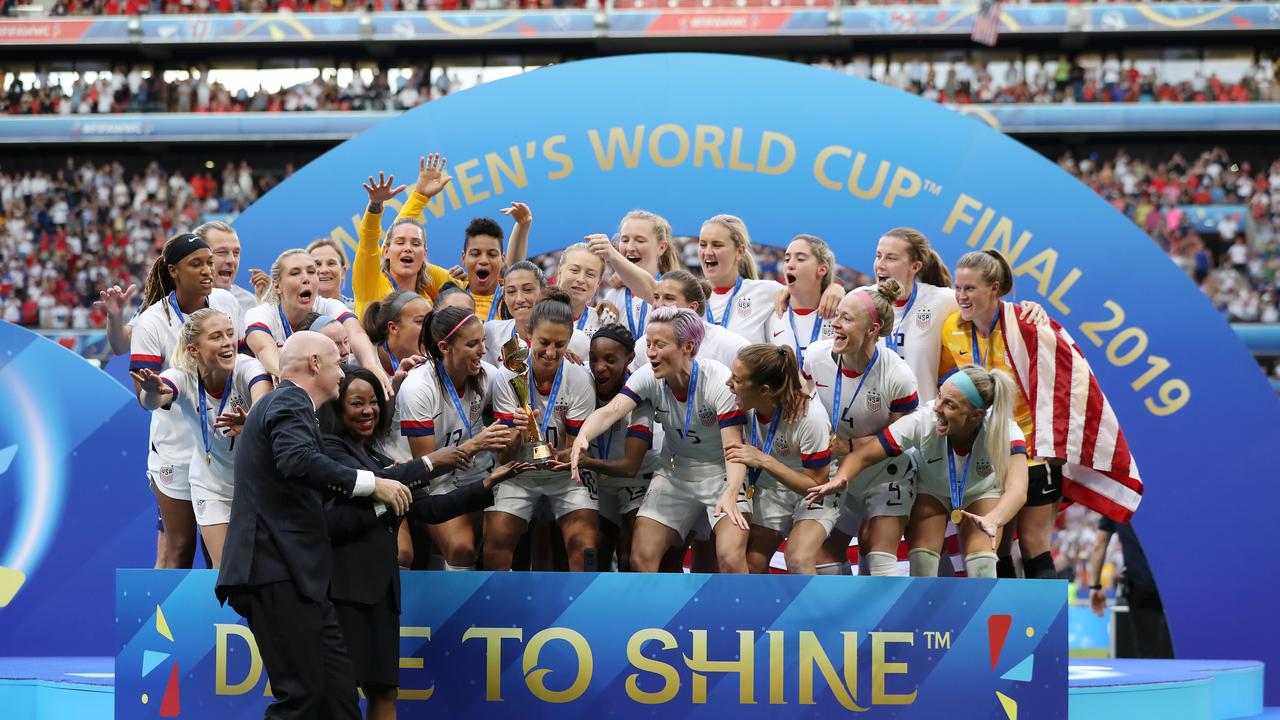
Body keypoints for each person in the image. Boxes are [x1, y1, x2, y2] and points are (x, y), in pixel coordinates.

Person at [215, 331, 416, 720]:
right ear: (314, 364)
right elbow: (296, 460)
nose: (343, 370)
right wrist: (372, 485)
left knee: (339, 698)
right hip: (275, 569)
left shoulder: (289, 406)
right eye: (337, 361)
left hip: (298, 576)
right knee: (304, 697)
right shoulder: (290, 399)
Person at [320, 365, 532, 719]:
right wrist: (433, 461)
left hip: (381, 596)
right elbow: (371, 489)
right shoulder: (329, 451)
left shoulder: (378, 458)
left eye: (374, 402)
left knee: (385, 692)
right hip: (342, 593)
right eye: (357, 403)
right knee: (339, 696)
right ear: (337, 408)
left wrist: (488, 484)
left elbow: (430, 509)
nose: (369, 410)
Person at [571, 307, 752, 573]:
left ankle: (743, 616)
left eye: (660, 344)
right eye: (648, 344)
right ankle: (652, 616)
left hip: (723, 476)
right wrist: (582, 437)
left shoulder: (717, 381)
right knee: (641, 558)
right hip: (674, 474)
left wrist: (732, 490)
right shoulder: (647, 376)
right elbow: (611, 410)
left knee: (730, 559)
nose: (651, 352)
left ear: (688, 347)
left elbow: (733, 448)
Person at [808, 366, 1028, 579]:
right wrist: (840, 478)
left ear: (976, 415)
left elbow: (1018, 489)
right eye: (940, 395)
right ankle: (927, 616)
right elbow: (863, 456)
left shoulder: (1004, 430)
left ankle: (976, 615)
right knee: (923, 561)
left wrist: (993, 520)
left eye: (949, 405)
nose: (936, 407)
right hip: (931, 489)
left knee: (983, 566)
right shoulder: (922, 421)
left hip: (981, 492)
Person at [939, 249, 1057, 579]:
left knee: (1034, 543)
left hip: (1032, 451)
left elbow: (1057, 386)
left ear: (994, 288)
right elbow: (946, 383)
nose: (961, 296)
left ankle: (1045, 629)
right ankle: (1005, 628)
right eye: (958, 288)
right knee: (996, 544)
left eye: (970, 288)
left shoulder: (1024, 325)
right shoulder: (951, 328)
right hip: (986, 454)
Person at [130, 232, 244, 568]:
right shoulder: (151, 321)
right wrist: (153, 392)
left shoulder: (227, 304)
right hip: (175, 449)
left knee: (219, 552)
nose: (208, 270)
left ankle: (219, 621)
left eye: (210, 262)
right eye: (197, 264)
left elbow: (240, 364)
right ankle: (164, 622)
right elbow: (147, 400)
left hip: (222, 449)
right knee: (179, 548)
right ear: (174, 271)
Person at [789, 284, 919, 576]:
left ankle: (890, 622)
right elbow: (799, 400)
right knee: (822, 558)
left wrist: (849, 447)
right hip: (837, 473)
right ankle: (838, 622)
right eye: (836, 315)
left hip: (885, 470)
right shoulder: (815, 356)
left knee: (879, 556)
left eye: (846, 318)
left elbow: (902, 437)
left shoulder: (898, 375)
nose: (835, 323)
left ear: (872, 329)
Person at [133, 308, 273, 568]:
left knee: (259, 568)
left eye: (230, 334)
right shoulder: (181, 376)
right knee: (226, 573)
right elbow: (153, 400)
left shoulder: (248, 366)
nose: (227, 342)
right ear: (194, 350)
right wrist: (151, 392)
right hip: (210, 486)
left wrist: (252, 420)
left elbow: (263, 399)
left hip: (256, 484)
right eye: (216, 337)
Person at [487, 288, 599, 571]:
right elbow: (503, 458)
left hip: (564, 477)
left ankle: (581, 614)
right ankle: (497, 612)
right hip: (518, 473)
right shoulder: (507, 376)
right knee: (495, 544)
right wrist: (518, 433)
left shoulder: (580, 380)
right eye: (544, 342)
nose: (551, 353)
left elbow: (575, 453)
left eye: (560, 345)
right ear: (529, 337)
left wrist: (558, 457)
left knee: (585, 547)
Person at [398, 305, 515, 571]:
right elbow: (425, 468)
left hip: (476, 473)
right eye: (473, 344)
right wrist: (476, 445)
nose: (483, 351)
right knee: (461, 550)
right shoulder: (418, 387)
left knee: (502, 541)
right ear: (445, 347)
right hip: (431, 482)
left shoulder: (487, 375)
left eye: (483, 341)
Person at [723, 344, 833, 575]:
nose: (728, 383)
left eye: (737, 379)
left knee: (798, 559)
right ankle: (765, 612)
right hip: (773, 488)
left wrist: (765, 461)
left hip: (818, 490)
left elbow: (816, 486)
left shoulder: (810, 418)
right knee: (752, 563)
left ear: (764, 390)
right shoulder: (744, 401)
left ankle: (820, 612)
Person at [576, 324, 661, 572]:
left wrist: (585, 462)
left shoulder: (640, 395)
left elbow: (630, 467)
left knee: (628, 557)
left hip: (634, 482)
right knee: (593, 554)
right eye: (594, 359)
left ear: (630, 359)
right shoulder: (583, 384)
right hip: (599, 483)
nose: (599, 367)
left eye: (610, 360)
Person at [245, 249, 387, 392]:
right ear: (277, 286)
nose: (306, 278)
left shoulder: (329, 306)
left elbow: (356, 333)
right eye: (295, 273)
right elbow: (264, 347)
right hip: (284, 393)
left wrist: (371, 366)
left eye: (311, 272)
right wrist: (289, 380)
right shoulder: (260, 314)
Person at [699, 215, 843, 344]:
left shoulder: (767, 291)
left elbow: (807, 290)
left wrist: (834, 288)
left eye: (717, 245)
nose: (708, 252)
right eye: (703, 244)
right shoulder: (692, 297)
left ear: (740, 251)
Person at [353, 156, 459, 319]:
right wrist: (375, 205)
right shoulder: (371, 283)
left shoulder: (432, 293)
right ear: (386, 251)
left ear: (424, 254)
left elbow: (475, 289)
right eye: (400, 243)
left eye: (415, 244)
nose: (408, 248)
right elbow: (368, 241)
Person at [629, 270, 749, 373]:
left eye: (669, 298)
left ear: (692, 307)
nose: (658, 305)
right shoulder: (642, 346)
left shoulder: (728, 345)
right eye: (656, 297)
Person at [1086, 517, 1172, 659]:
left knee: (1148, 653)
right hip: (1176, 583)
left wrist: (1094, 586)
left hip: (1142, 585)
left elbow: (1099, 544)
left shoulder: (1119, 498)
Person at [586, 209, 681, 338]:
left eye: (640, 240)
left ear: (661, 248)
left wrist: (613, 256)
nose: (630, 248)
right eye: (624, 240)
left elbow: (652, 290)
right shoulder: (613, 295)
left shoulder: (676, 291)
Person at [484, 260, 590, 366]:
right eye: (511, 291)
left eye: (528, 289)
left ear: (543, 292)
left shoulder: (578, 341)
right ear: (505, 297)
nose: (519, 299)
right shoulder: (491, 332)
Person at [767, 235, 836, 371]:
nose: (790, 264)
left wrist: (837, 288)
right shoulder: (770, 313)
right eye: (787, 259)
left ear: (822, 269)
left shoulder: (841, 315)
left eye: (800, 259)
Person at [459, 202, 532, 322]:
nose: (483, 261)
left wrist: (523, 225)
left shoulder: (511, 298)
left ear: (503, 259)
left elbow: (517, 270)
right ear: (463, 258)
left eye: (492, 254)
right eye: (475, 254)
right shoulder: (450, 287)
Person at [197, 220, 258, 313]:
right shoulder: (176, 301)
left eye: (236, 253)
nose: (231, 260)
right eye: (221, 252)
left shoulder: (248, 303)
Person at [555, 242, 608, 337]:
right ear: (559, 272)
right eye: (574, 270)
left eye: (590, 274)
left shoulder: (604, 324)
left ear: (598, 283)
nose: (581, 279)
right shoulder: (537, 314)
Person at [308, 238, 355, 310]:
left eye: (331, 263)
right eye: (317, 264)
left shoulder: (360, 312)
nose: (324, 270)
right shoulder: (296, 315)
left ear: (343, 272)